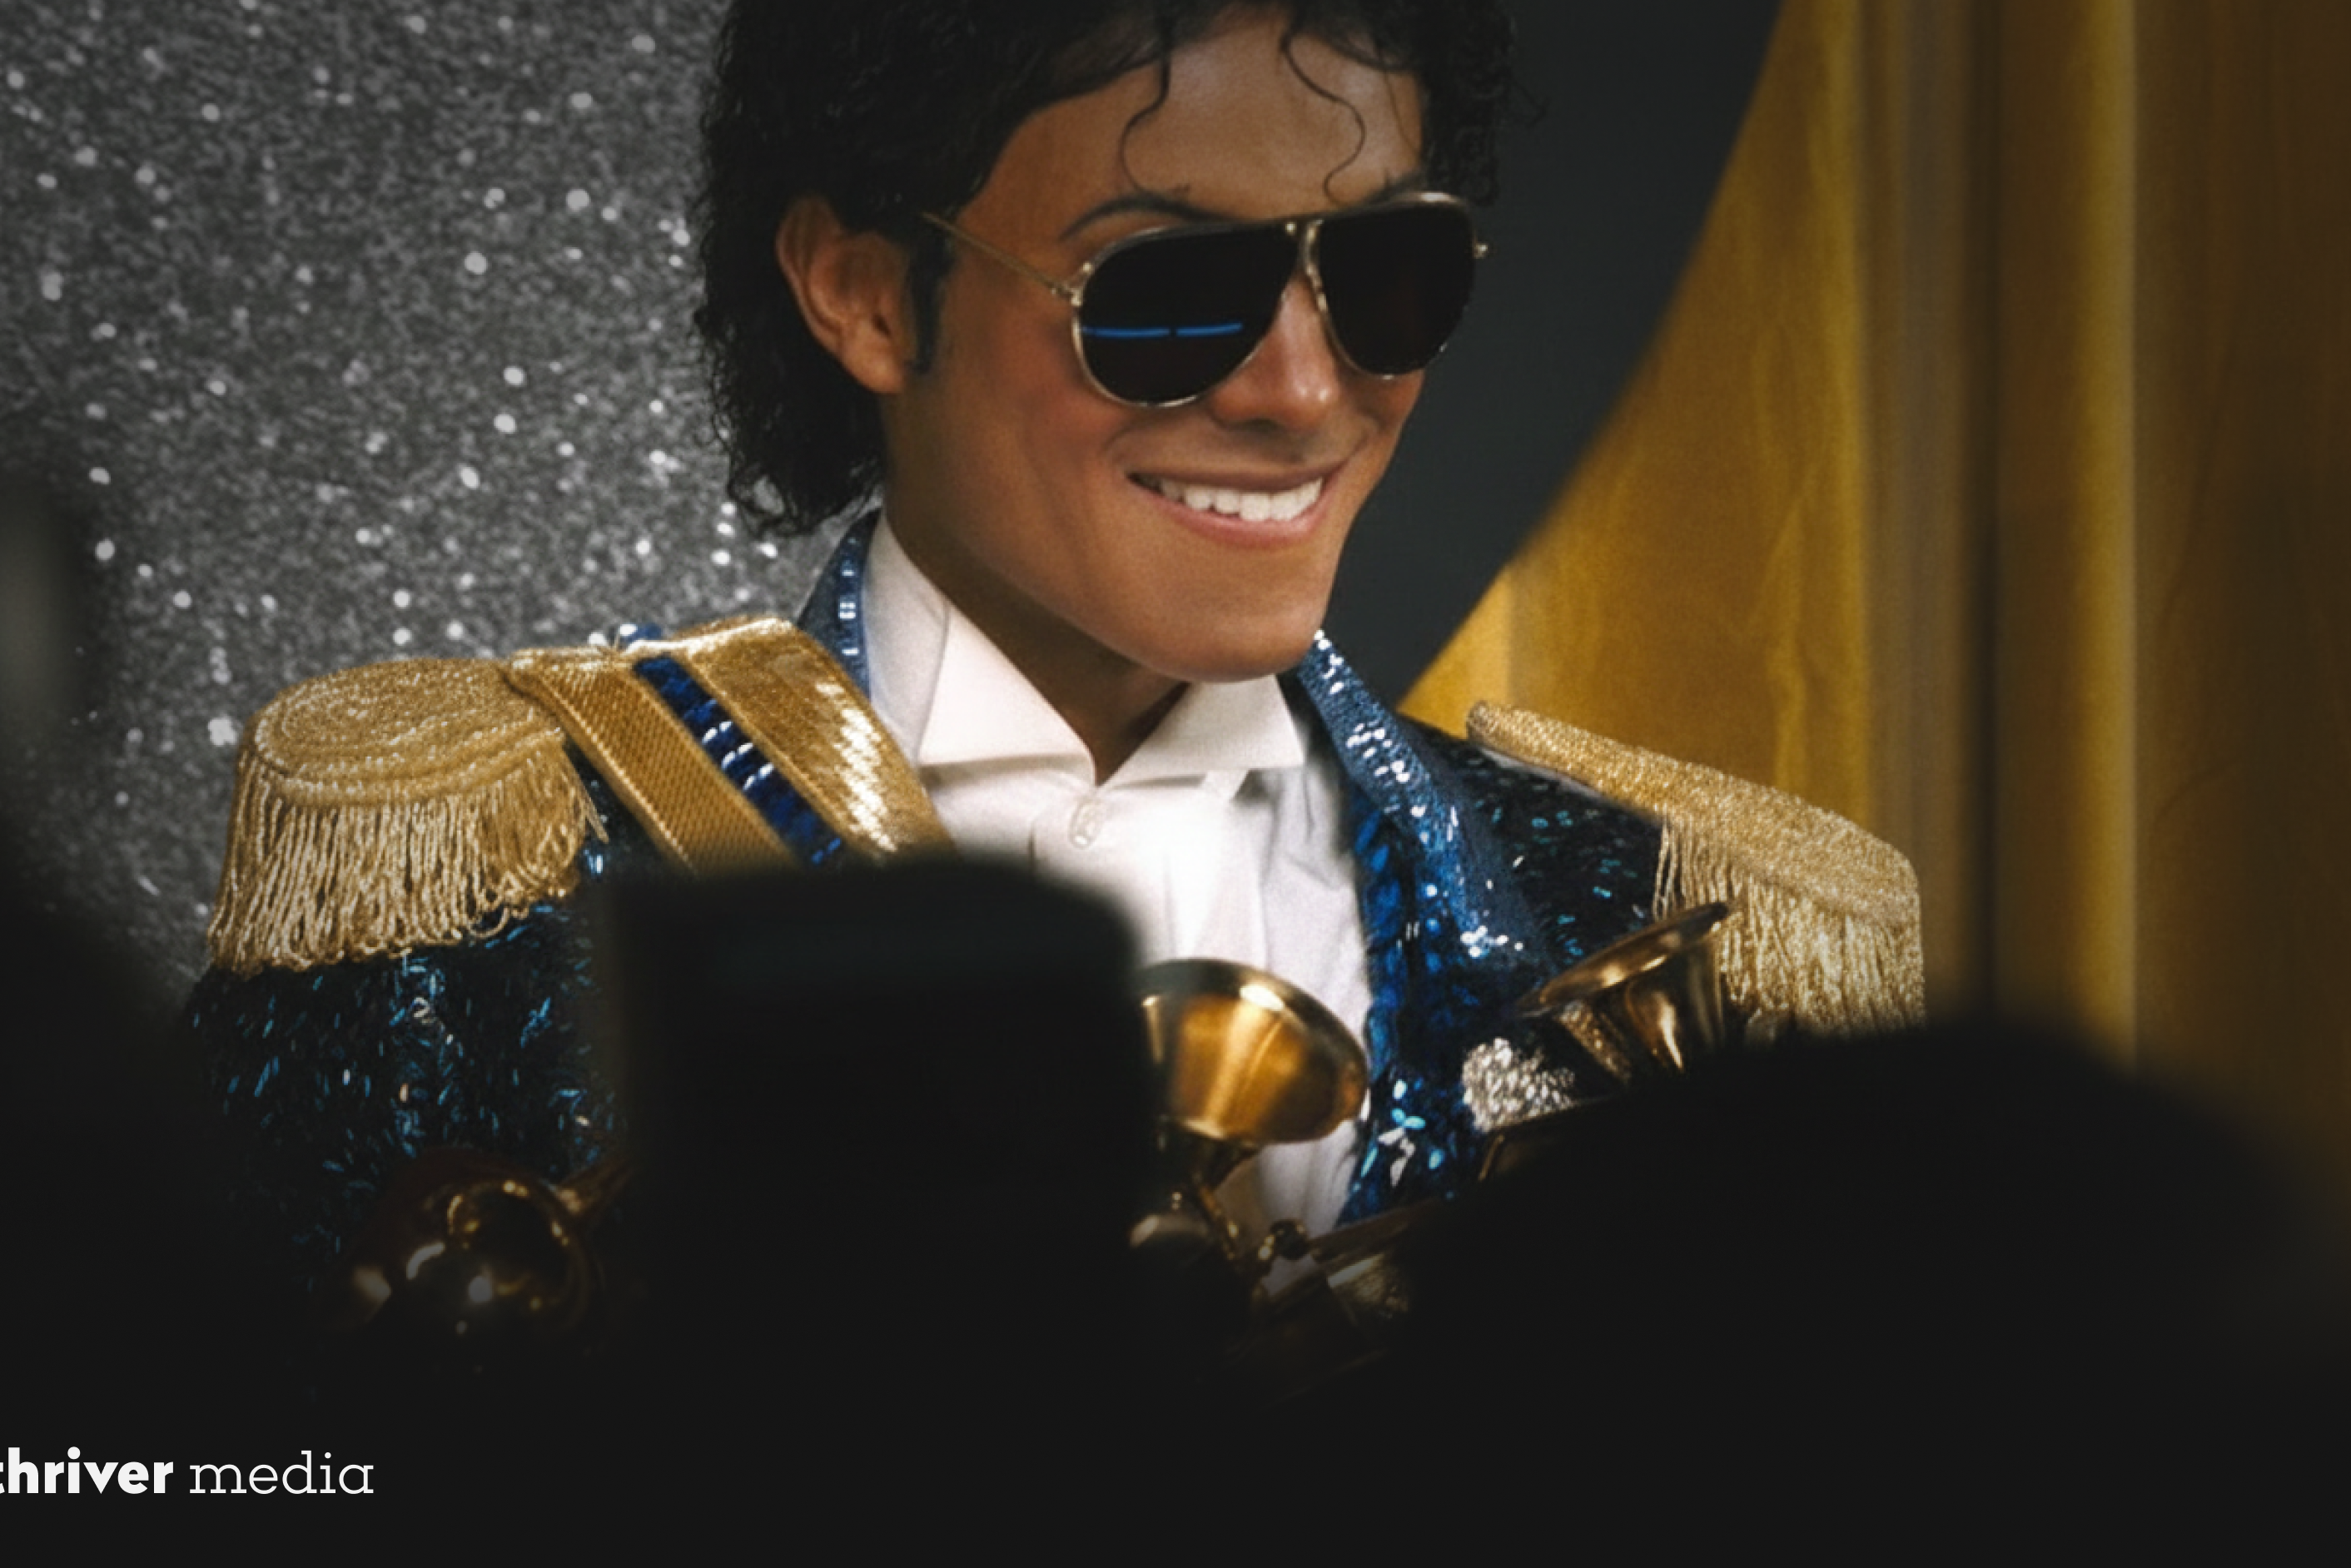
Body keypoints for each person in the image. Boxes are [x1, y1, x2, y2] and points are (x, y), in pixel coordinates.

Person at [190, 1, 1922, 1289]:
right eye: (1167, 296)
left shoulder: (1666, 922)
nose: (1307, 392)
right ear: (863, 298)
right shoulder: (480, 889)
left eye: (1390, 276)